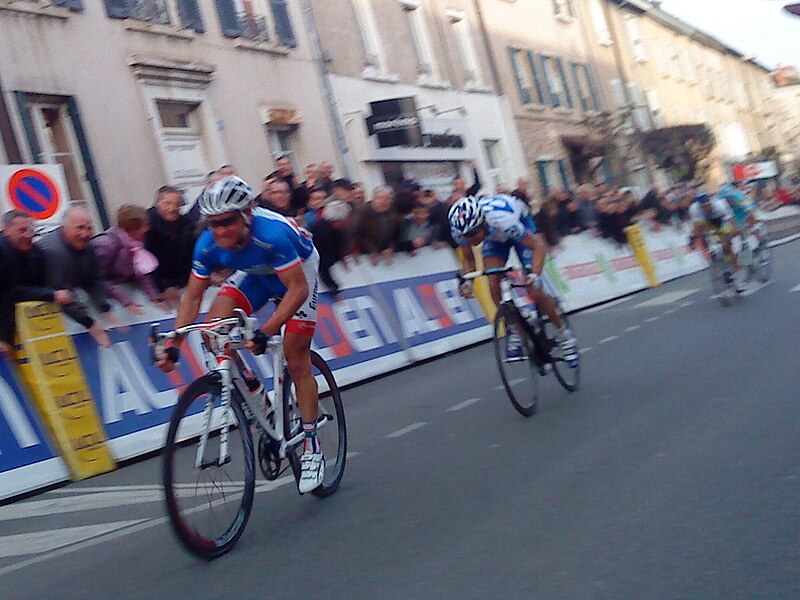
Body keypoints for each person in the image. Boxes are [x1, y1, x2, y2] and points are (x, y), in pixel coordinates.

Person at [155, 176, 325, 493]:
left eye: (227, 222)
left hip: (299, 274)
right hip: (257, 274)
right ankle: (259, 397)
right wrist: (175, 340)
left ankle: (311, 446)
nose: (219, 231)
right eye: (213, 223)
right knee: (212, 330)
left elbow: (298, 289)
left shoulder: (271, 233)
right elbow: (192, 297)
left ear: (247, 213)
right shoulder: (207, 244)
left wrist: (266, 331)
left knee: (295, 355)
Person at [449, 194, 578, 364]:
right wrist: (468, 282)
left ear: (483, 221)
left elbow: (538, 246)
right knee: (493, 284)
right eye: (467, 235)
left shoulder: (503, 222)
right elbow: (469, 258)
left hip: (520, 226)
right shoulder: (459, 230)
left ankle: (565, 335)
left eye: (474, 233)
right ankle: (515, 329)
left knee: (534, 290)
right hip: (494, 238)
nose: (471, 239)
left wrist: (534, 275)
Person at [38, 206, 114, 347]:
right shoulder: (52, 251)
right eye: (79, 228)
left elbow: (94, 278)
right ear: (64, 228)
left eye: (89, 228)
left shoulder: (88, 247)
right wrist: (90, 323)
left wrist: (103, 307)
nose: (85, 234)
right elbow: (61, 293)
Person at [0, 211, 74, 356]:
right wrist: (3, 338)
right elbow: (8, 293)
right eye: (22, 230)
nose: (28, 235)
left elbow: (41, 284)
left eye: (30, 229)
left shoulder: (35, 253)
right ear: (6, 231)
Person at [92, 204, 161, 313]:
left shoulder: (136, 245)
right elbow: (97, 278)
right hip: (102, 305)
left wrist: (154, 297)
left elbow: (139, 272)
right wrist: (125, 301)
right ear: (133, 227)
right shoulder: (106, 244)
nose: (148, 228)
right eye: (145, 225)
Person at [145, 186, 198, 309]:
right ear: (158, 203)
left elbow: (189, 255)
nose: (173, 208)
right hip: (159, 289)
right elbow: (146, 262)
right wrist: (165, 286)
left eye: (177, 204)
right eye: (168, 203)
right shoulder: (146, 227)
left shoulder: (186, 225)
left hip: (181, 285)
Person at [689, 191, 745, 293]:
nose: (706, 208)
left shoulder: (720, 205)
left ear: (710, 202)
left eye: (707, 205)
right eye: (703, 206)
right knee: (704, 235)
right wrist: (692, 238)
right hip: (707, 223)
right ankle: (716, 262)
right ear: (699, 205)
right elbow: (696, 226)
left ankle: (737, 275)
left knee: (727, 245)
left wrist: (732, 234)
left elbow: (731, 221)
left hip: (721, 221)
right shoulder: (694, 209)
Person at [309, 200, 352, 298]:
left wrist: (341, 256)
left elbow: (339, 245)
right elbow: (322, 265)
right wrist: (334, 290)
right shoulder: (320, 232)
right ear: (337, 220)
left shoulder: (337, 230)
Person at [354, 186, 401, 265]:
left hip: (385, 256)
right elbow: (357, 235)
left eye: (387, 199)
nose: (384, 201)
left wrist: (390, 248)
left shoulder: (393, 214)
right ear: (374, 199)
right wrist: (371, 250)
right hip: (365, 256)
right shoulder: (362, 212)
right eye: (380, 198)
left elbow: (394, 235)